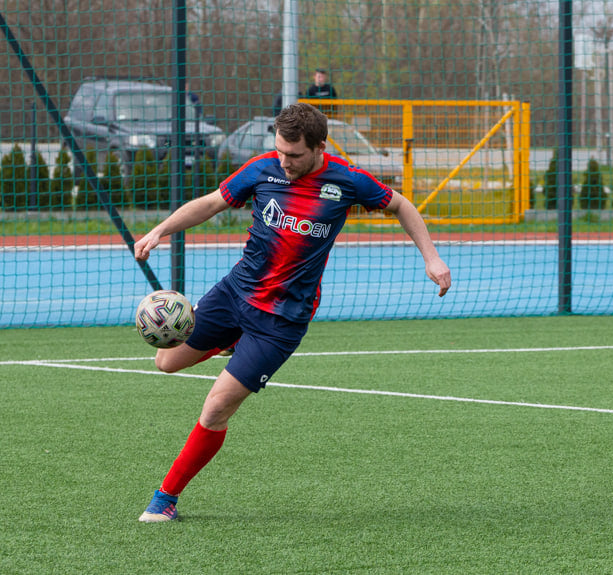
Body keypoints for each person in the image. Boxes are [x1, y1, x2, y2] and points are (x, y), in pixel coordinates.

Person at [134, 102, 451, 522]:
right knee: (165, 362)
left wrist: (432, 259)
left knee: (215, 408)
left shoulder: (348, 180)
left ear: (320, 147)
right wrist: (160, 230)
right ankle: (230, 341)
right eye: (280, 151)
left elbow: (402, 206)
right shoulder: (262, 168)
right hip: (234, 294)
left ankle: (166, 497)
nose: (284, 162)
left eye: (295, 155)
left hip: (281, 321)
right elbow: (211, 203)